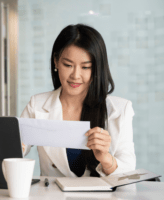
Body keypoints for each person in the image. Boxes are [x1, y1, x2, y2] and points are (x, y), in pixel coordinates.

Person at [21, 24, 136, 177]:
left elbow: (128, 173)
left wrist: (106, 159)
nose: (75, 75)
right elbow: (12, 152)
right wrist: (14, 146)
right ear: (56, 62)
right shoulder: (37, 105)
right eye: (68, 65)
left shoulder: (120, 110)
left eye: (86, 67)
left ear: (96, 68)